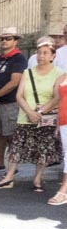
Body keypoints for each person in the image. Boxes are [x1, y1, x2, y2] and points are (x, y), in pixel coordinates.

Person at [0, 37, 64, 191]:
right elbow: (19, 95)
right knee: (16, 147)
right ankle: (9, 177)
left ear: (53, 56)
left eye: (45, 53)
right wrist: (30, 112)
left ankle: (37, 179)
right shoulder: (27, 72)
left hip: (45, 118)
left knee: (42, 148)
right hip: (25, 116)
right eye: (39, 53)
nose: (41, 56)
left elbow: (57, 97)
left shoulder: (60, 73)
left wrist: (40, 112)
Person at [0, 27, 28, 171]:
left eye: (8, 38)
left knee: (11, 135)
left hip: (10, 103)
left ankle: (12, 166)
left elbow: (14, 82)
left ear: (15, 41)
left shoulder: (19, 59)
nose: (4, 41)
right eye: (2, 38)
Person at [43, 75, 67, 205]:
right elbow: (61, 100)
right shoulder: (64, 76)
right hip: (64, 119)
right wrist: (58, 122)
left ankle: (64, 191)